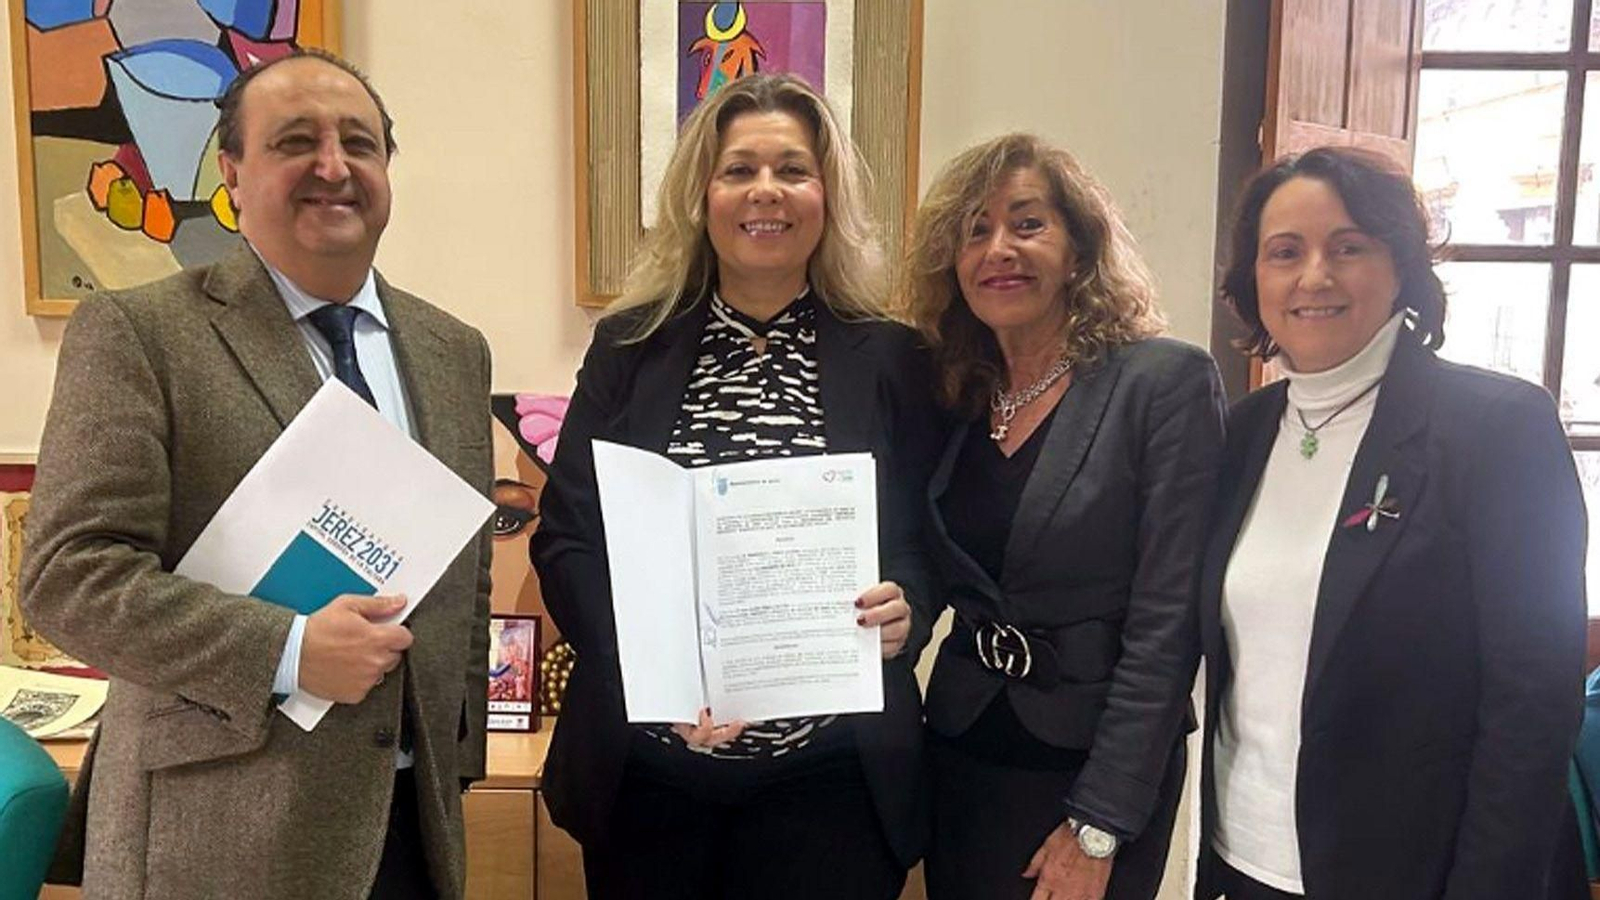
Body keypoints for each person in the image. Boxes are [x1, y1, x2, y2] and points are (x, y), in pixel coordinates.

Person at [20, 50, 493, 900]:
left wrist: (455, 763)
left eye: (360, 142)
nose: (333, 166)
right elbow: (68, 578)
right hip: (216, 830)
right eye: (295, 142)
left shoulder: (454, 350)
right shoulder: (140, 332)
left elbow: (468, 569)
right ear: (232, 174)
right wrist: (289, 649)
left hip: (408, 827)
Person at [531, 73, 940, 900]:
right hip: (650, 773)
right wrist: (653, 672)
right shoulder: (628, 347)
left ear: (827, 195)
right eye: (738, 170)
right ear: (701, 196)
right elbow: (567, 538)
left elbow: (923, 539)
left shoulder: (893, 356)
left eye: (792, 169)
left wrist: (910, 610)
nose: (766, 192)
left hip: (832, 781)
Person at [1196, 145, 1587, 899]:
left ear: (1400, 264)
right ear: (1254, 281)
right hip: (1248, 862)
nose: (1315, 275)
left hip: (1424, 873)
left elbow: (1533, 708)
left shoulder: (1497, 430)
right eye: (1285, 252)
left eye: (1349, 246)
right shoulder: (1239, 437)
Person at [903, 133, 1223, 900]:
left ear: (1080, 249)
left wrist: (1100, 822)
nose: (998, 250)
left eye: (1027, 223)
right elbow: (929, 567)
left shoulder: (1162, 384)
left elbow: (1167, 627)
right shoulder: (955, 393)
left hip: (1089, 774)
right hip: (963, 751)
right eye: (974, 231)